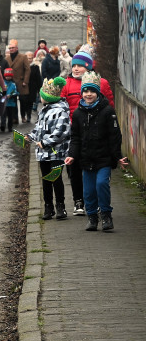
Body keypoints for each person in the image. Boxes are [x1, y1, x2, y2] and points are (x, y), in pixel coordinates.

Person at [64, 71, 128, 231]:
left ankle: (106, 215)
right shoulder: (78, 113)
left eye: (92, 91)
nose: (88, 94)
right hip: (86, 159)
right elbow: (76, 137)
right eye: (85, 91)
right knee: (89, 191)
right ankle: (92, 217)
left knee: (101, 185)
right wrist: (72, 154)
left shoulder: (107, 112)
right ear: (82, 93)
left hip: (104, 158)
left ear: (98, 92)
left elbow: (115, 136)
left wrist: (117, 157)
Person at [59, 49, 114, 216]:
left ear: (88, 68)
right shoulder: (66, 84)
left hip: (96, 132)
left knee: (94, 170)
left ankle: (96, 202)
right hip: (74, 132)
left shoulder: (101, 83)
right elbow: (61, 106)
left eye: (80, 66)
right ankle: (78, 201)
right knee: (73, 167)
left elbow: (110, 105)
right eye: (74, 65)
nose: (76, 69)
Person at [27, 77, 70, 220]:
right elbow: (38, 128)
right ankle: (48, 206)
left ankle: (60, 206)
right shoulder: (44, 110)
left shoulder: (61, 111)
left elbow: (61, 132)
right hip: (42, 153)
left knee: (56, 178)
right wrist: (30, 137)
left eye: (42, 96)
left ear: (48, 97)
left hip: (57, 152)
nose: (40, 98)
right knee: (45, 179)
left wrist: (45, 143)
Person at [4, 39, 33, 123]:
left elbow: (28, 69)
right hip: (11, 82)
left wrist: (25, 81)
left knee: (23, 100)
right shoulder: (7, 58)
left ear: (17, 48)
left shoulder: (23, 57)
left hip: (21, 82)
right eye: (10, 48)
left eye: (13, 48)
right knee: (13, 101)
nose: (11, 49)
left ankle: (23, 116)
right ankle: (15, 117)